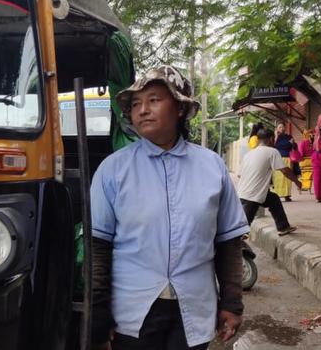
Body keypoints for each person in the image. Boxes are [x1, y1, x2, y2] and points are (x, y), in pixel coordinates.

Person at [90, 66, 248, 350]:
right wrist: (98, 318)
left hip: (194, 310)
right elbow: (98, 247)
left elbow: (229, 241)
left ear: (179, 108)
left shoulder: (212, 167)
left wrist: (232, 304)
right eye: (136, 104)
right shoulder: (113, 169)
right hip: (132, 312)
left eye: (154, 100)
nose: (143, 110)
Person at [236, 128, 300, 234]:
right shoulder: (272, 151)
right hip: (252, 196)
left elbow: (239, 175)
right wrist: (297, 182)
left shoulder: (248, 154)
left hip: (242, 193)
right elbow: (285, 170)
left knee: (273, 199)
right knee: (242, 231)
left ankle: (283, 226)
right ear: (271, 139)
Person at [272, 122, 296, 201]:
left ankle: (287, 195)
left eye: (283, 127)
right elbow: (274, 146)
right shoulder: (275, 137)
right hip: (277, 159)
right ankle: (278, 194)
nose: (281, 128)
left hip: (287, 158)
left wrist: (292, 144)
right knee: (278, 177)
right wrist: (276, 136)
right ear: (277, 129)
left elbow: (292, 146)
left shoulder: (289, 136)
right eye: (280, 127)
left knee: (287, 177)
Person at [313, 113, 321, 202]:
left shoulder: (317, 129)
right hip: (320, 155)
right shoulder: (318, 130)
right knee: (318, 177)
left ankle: (319, 196)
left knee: (318, 177)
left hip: (318, 156)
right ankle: (319, 195)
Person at [298, 129, 314, 193]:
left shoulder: (302, 142)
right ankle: (308, 188)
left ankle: (303, 187)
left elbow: (301, 153)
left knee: (303, 175)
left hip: (303, 161)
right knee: (309, 176)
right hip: (311, 161)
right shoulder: (311, 143)